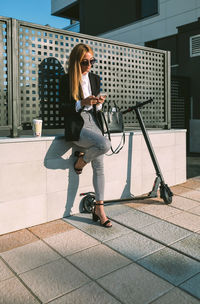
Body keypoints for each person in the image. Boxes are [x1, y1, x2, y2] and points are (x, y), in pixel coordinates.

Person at [59, 43, 112, 228]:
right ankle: (80, 162)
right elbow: (63, 109)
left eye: (92, 61)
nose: (89, 65)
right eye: (84, 62)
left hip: (93, 122)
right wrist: (82, 102)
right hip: (78, 125)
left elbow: (97, 110)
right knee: (105, 145)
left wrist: (98, 103)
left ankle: (99, 209)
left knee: (100, 166)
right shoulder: (67, 80)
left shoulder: (95, 78)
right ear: (76, 62)